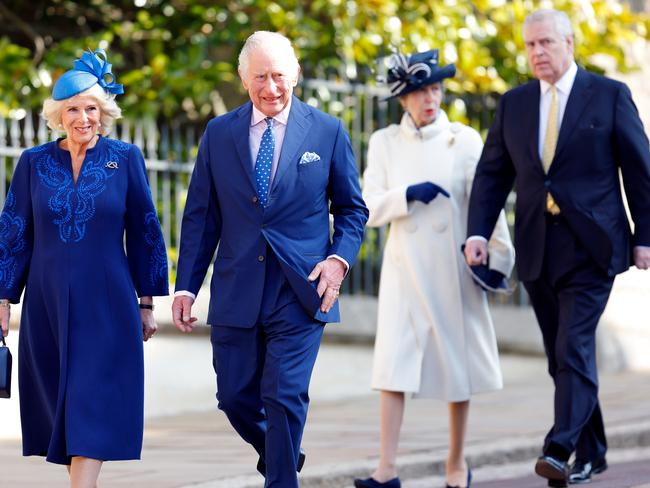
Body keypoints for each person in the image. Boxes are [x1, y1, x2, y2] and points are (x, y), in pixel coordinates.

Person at [171, 31, 367, 488]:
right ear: (244, 79)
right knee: (235, 397)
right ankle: (281, 453)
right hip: (237, 287)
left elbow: (353, 209)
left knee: (283, 395)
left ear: (295, 74)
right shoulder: (219, 134)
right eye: (260, 76)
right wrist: (186, 286)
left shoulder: (327, 131)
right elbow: (201, 216)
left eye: (279, 75)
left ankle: (280, 480)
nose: (271, 86)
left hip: (302, 287)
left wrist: (339, 259)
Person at [464, 8, 650, 487]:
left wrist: (645, 235)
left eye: (545, 42)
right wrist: (479, 233)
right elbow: (491, 175)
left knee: (574, 346)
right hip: (537, 246)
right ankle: (594, 451)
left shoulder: (609, 96)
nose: (537, 53)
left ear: (570, 42)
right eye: (530, 45)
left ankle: (560, 447)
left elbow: (640, 171)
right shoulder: (515, 103)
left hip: (593, 247)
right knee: (562, 357)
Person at [0, 48, 169, 487]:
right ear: (58, 115)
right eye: (72, 109)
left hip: (107, 302)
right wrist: (3, 297)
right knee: (63, 399)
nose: (83, 118)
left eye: (91, 107)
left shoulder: (125, 158)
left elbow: (145, 228)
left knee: (91, 397)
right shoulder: (33, 163)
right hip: (46, 301)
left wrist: (146, 302)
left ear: (104, 111)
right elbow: (14, 232)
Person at [354, 50, 514, 488]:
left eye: (436, 89)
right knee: (392, 367)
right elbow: (365, 205)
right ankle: (385, 470)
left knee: (455, 367)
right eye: (421, 91)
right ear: (403, 98)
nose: (430, 98)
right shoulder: (384, 142)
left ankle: (456, 464)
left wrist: (498, 253)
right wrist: (406, 194)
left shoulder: (464, 140)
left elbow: (487, 202)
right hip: (405, 269)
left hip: (451, 268)